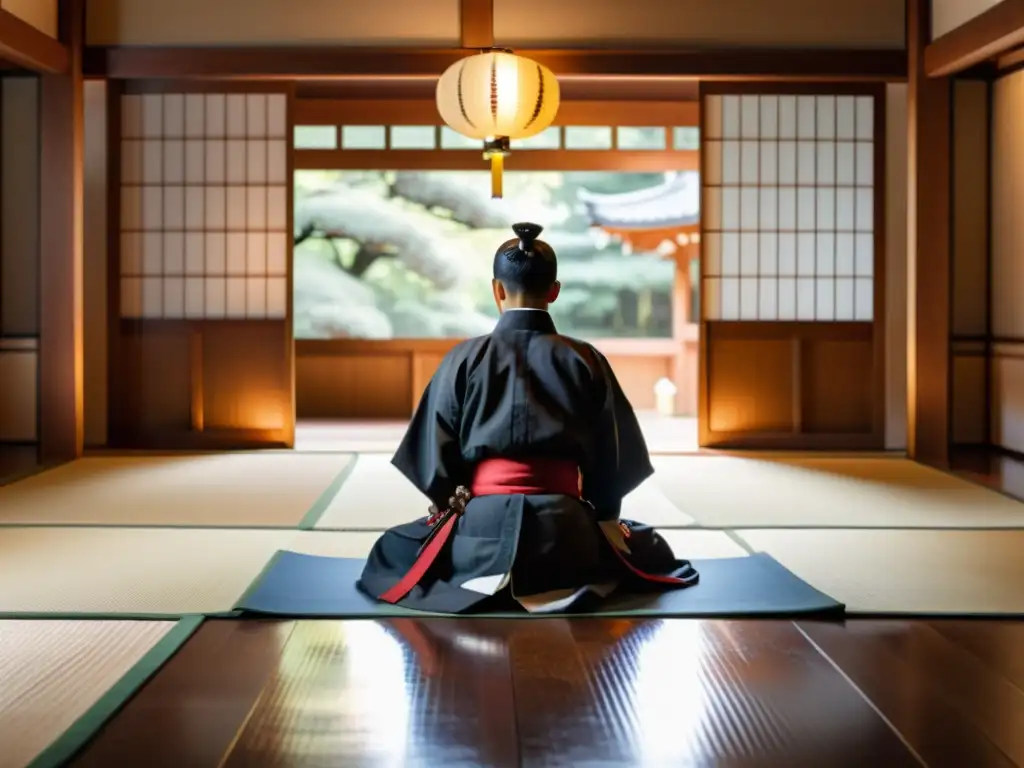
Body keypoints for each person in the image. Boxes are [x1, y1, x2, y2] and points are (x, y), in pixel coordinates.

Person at [357, 222, 698, 613]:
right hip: (566, 533)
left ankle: (483, 575)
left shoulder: (463, 359)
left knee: (392, 548)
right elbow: (615, 459)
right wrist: (602, 515)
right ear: (554, 291)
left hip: (478, 531)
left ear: (497, 290)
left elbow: (433, 457)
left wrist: (452, 502)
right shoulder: (585, 359)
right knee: (648, 544)